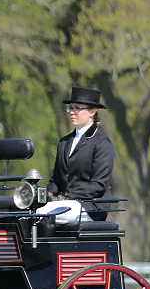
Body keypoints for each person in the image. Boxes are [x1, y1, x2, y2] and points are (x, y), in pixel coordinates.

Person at [40, 86, 115, 224]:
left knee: (42, 215)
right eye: (71, 108)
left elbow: (98, 185)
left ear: (92, 111)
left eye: (77, 108)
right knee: (31, 212)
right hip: (65, 204)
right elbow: (56, 180)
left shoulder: (102, 143)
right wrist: (45, 195)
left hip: (90, 206)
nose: (72, 112)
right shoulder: (64, 142)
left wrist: (68, 197)